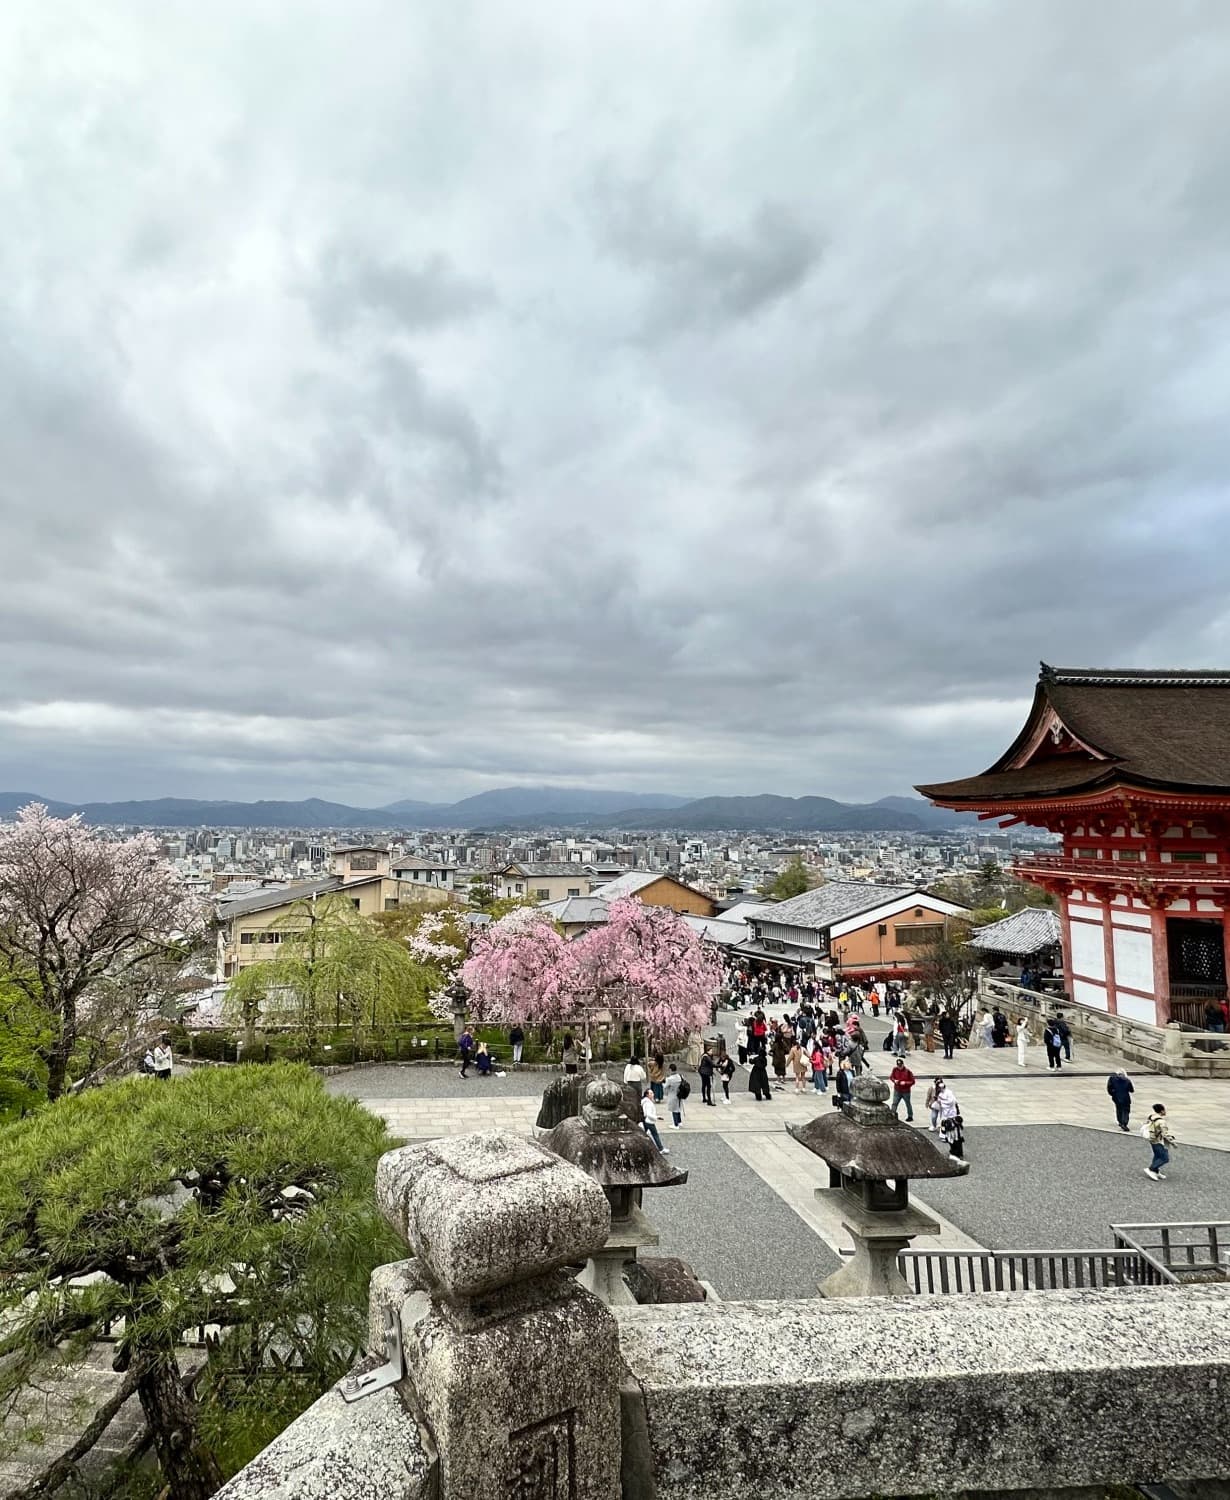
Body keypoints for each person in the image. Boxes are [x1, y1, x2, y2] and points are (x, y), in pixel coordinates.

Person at [1144, 1103, 1176, 1181]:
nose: (1165, 1111)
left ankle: (1155, 1171)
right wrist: (1173, 1142)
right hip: (1158, 1140)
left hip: (1152, 1139)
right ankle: (1151, 1169)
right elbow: (1165, 1134)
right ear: (1161, 1111)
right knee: (1165, 1158)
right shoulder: (1161, 1122)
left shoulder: (1151, 1117)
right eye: (1164, 1110)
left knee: (1157, 1156)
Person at [640, 1088, 669, 1154]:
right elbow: (648, 1114)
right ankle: (661, 1148)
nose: (653, 1094)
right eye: (651, 1093)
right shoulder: (648, 1103)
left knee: (643, 1134)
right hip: (649, 1121)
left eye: (652, 1093)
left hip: (646, 1121)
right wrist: (657, 1117)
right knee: (655, 1135)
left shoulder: (645, 1102)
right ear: (647, 1095)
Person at [663, 1063, 685, 1128]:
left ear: (670, 1069)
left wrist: (662, 1083)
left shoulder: (670, 1079)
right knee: (678, 1108)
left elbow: (665, 1086)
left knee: (674, 1109)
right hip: (679, 1094)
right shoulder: (680, 1076)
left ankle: (675, 1124)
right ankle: (679, 1122)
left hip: (672, 1094)